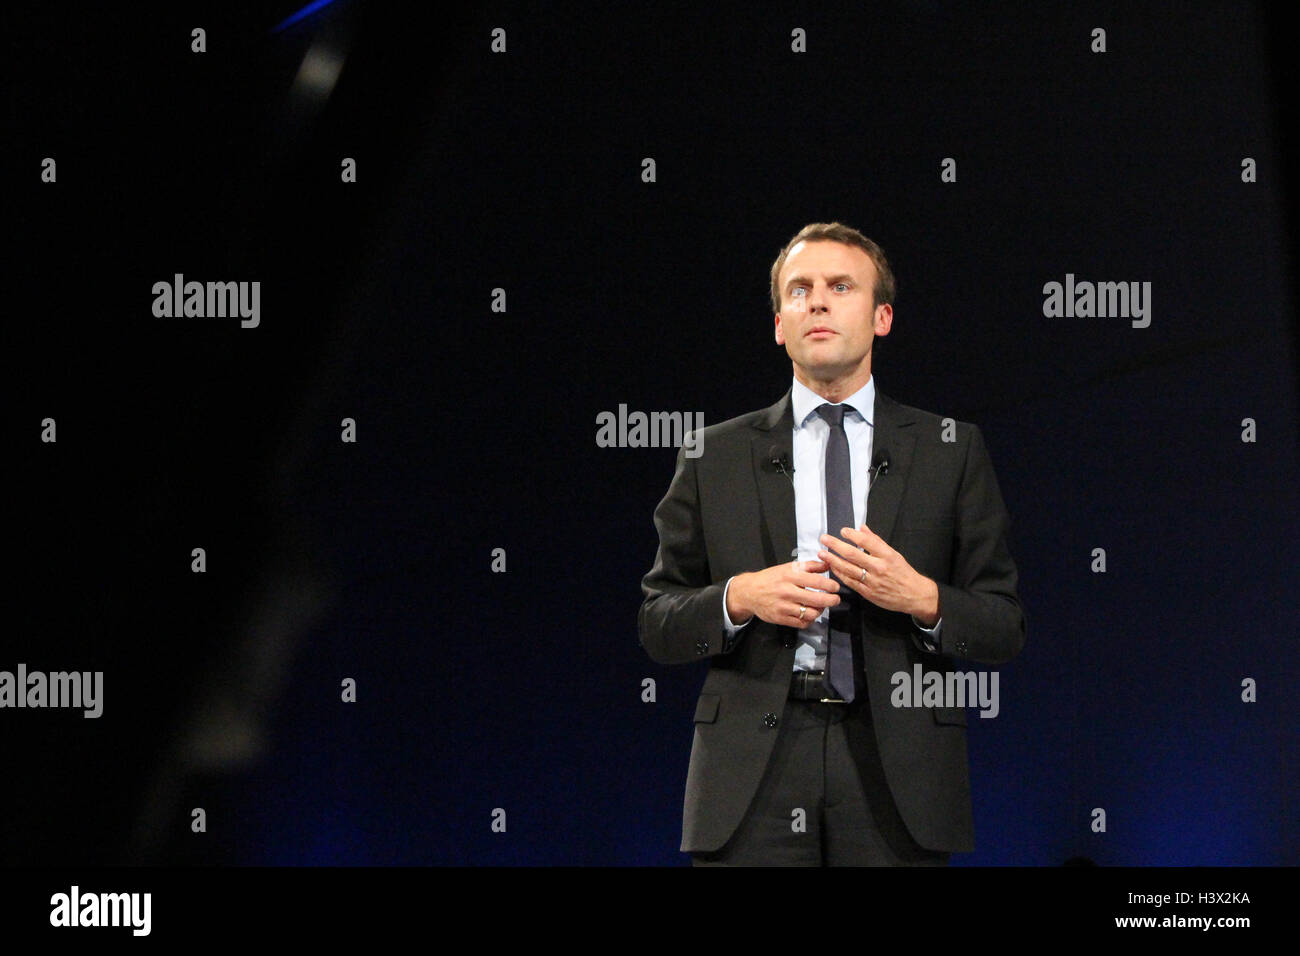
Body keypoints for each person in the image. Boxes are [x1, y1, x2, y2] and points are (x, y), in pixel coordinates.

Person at [638, 222, 1026, 866]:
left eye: (840, 287)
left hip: (896, 769)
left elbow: (1003, 626)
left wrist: (924, 598)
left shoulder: (951, 450)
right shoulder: (714, 453)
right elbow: (658, 622)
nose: (816, 301)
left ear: (882, 318)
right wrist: (739, 598)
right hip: (753, 770)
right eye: (799, 290)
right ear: (778, 325)